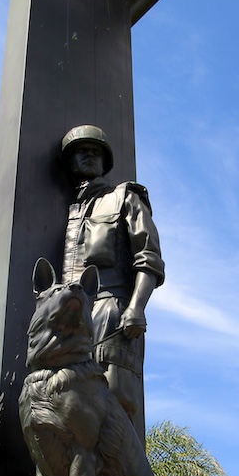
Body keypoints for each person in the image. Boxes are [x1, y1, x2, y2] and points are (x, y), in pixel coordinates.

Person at [60, 125, 164, 432]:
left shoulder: (125, 198)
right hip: (68, 320)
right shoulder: (66, 212)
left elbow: (149, 258)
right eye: (82, 150)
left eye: (97, 151)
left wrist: (137, 307)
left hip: (111, 312)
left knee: (115, 407)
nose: (90, 155)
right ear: (70, 161)